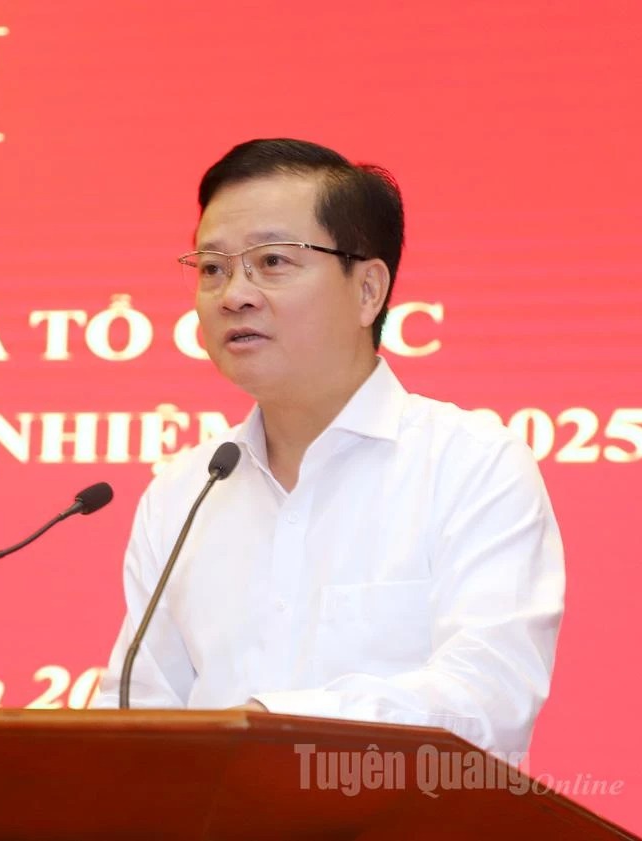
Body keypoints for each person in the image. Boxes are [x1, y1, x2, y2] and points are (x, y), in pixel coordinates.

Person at [92, 139, 564, 760]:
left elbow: (488, 700)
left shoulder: (471, 464)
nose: (234, 294)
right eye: (212, 268)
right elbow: (137, 714)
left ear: (368, 290)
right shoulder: (185, 491)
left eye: (272, 261)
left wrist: (269, 727)